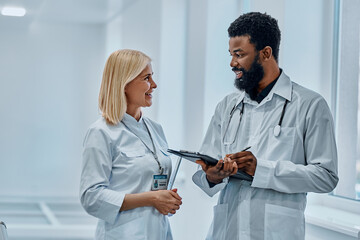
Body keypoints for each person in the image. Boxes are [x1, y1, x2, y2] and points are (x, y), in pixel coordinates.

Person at [193, 12, 338, 240]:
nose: (232, 63)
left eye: (239, 55)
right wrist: (213, 175)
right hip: (227, 231)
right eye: (231, 55)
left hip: (276, 232)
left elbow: (326, 177)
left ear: (266, 53)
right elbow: (203, 169)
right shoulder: (227, 106)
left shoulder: (310, 104)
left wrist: (262, 169)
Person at [80, 49, 182, 240]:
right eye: (147, 78)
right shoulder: (101, 132)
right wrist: (151, 198)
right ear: (124, 83)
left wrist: (166, 199)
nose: (154, 85)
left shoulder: (156, 129)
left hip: (160, 232)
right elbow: (91, 197)